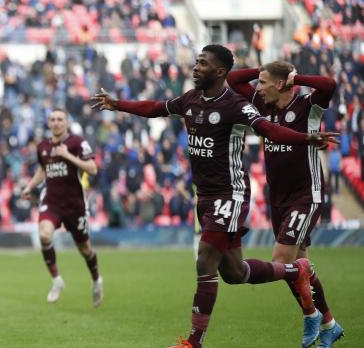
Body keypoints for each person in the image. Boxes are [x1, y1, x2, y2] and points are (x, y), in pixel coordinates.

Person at [91, 44, 339, 348]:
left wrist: (307, 137)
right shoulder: (190, 99)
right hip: (205, 196)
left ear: (219, 71)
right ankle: (296, 270)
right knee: (235, 272)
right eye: (196, 62)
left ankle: (194, 342)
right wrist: (118, 104)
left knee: (205, 258)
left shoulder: (237, 105)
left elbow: (268, 131)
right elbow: (155, 108)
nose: (195, 68)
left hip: (230, 194)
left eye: (203, 63)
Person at [227, 62, 344, 347]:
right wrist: (262, 71)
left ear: (281, 84)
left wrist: (296, 77)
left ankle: (311, 315)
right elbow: (232, 78)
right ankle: (328, 323)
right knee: (297, 266)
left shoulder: (308, 105)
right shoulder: (261, 102)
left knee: (281, 261)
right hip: (277, 196)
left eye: (265, 82)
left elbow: (329, 84)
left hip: (306, 192)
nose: (258, 87)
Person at [21, 108, 104, 307]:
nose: (56, 123)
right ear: (49, 123)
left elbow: (92, 169)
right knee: (44, 235)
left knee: (84, 249)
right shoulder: (42, 146)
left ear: (66, 122)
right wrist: (30, 186)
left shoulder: (77, 143)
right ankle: (57, 280)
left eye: (60, 119)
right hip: (51, 202)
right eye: (53, 120)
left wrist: (68, 156)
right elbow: (43, 169)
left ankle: (96, 280)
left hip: (75, 205)